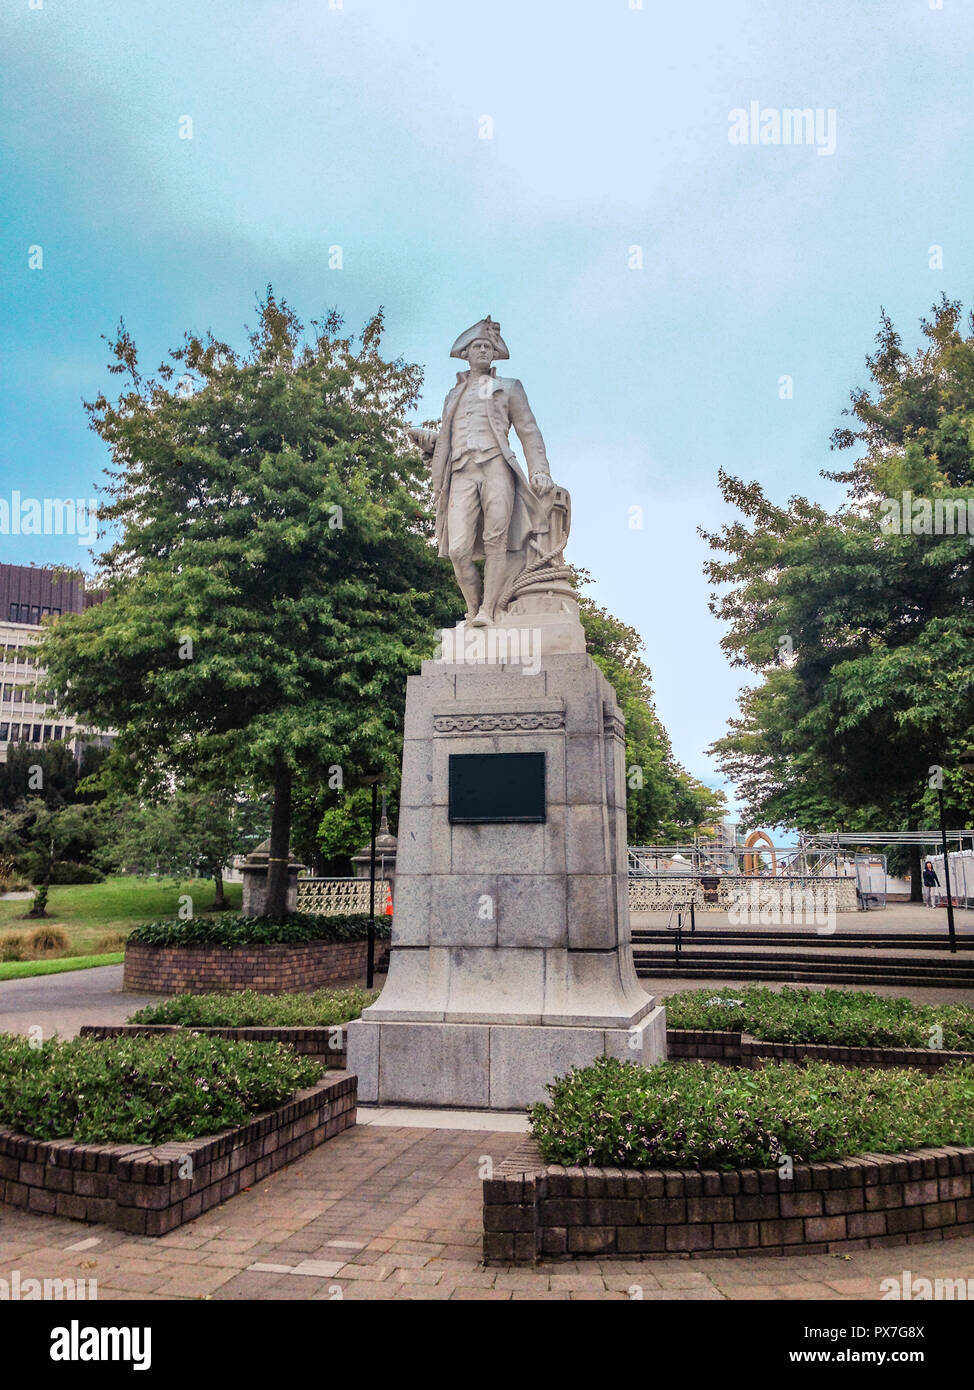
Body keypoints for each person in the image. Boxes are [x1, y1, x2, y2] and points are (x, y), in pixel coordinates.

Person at [425, 317, 554, 626]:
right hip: (461, 472)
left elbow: (529, 431)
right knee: (457, 549)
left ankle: (488, 611)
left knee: (496, 540)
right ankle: (472, 608)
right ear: (466, 354)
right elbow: (446, 437)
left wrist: (540, 471)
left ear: (494, 353)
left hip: (496, 466)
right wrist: (436, 476)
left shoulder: (509, 388)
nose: (482, 350)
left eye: (487, 346)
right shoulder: (452, 395)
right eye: (476, 346)